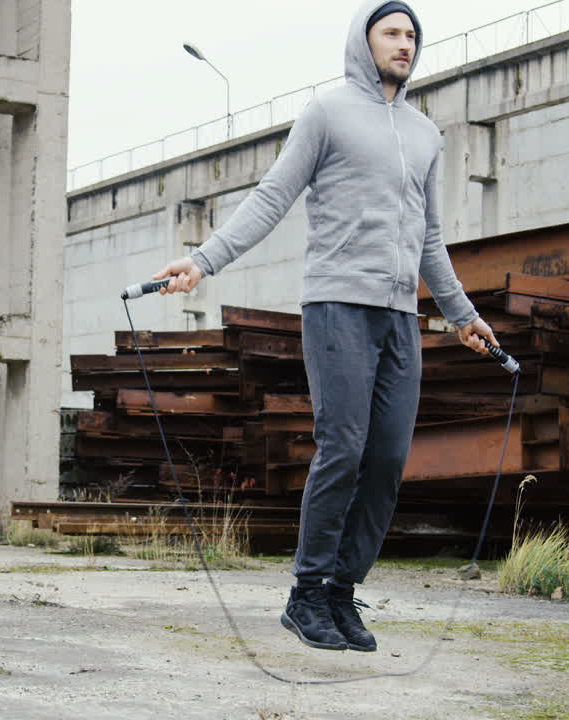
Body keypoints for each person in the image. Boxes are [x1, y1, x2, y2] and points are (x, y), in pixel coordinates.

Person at [152, 0, 501, 652]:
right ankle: (305, 593)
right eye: (391, 33)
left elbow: (431, 239)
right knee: (343, 447)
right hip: (337, 306)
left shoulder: (426, 134)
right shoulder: (327, 113)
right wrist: (203, 261)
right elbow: (272, 195)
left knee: (389, 459)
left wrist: (463, 316)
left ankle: (342, 593)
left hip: (400, 318)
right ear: (363, 43)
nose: (404, 44)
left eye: (411, 36)